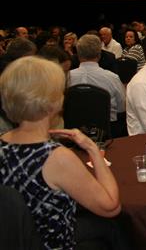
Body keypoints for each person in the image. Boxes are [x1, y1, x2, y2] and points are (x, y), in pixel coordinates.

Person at [0, 56, 121, 249]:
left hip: (20, 238)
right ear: (53, 102)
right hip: (53, 243)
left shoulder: (3, 144)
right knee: (116, 228)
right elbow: (111, 206)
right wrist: (93, 149)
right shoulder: (56, 157)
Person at [69, 34, 126, 128]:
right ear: (99, 54)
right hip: (107, 130)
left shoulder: (66, 78)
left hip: (72, 130)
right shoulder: (112, 78)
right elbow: (122, 107)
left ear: (78, 55)